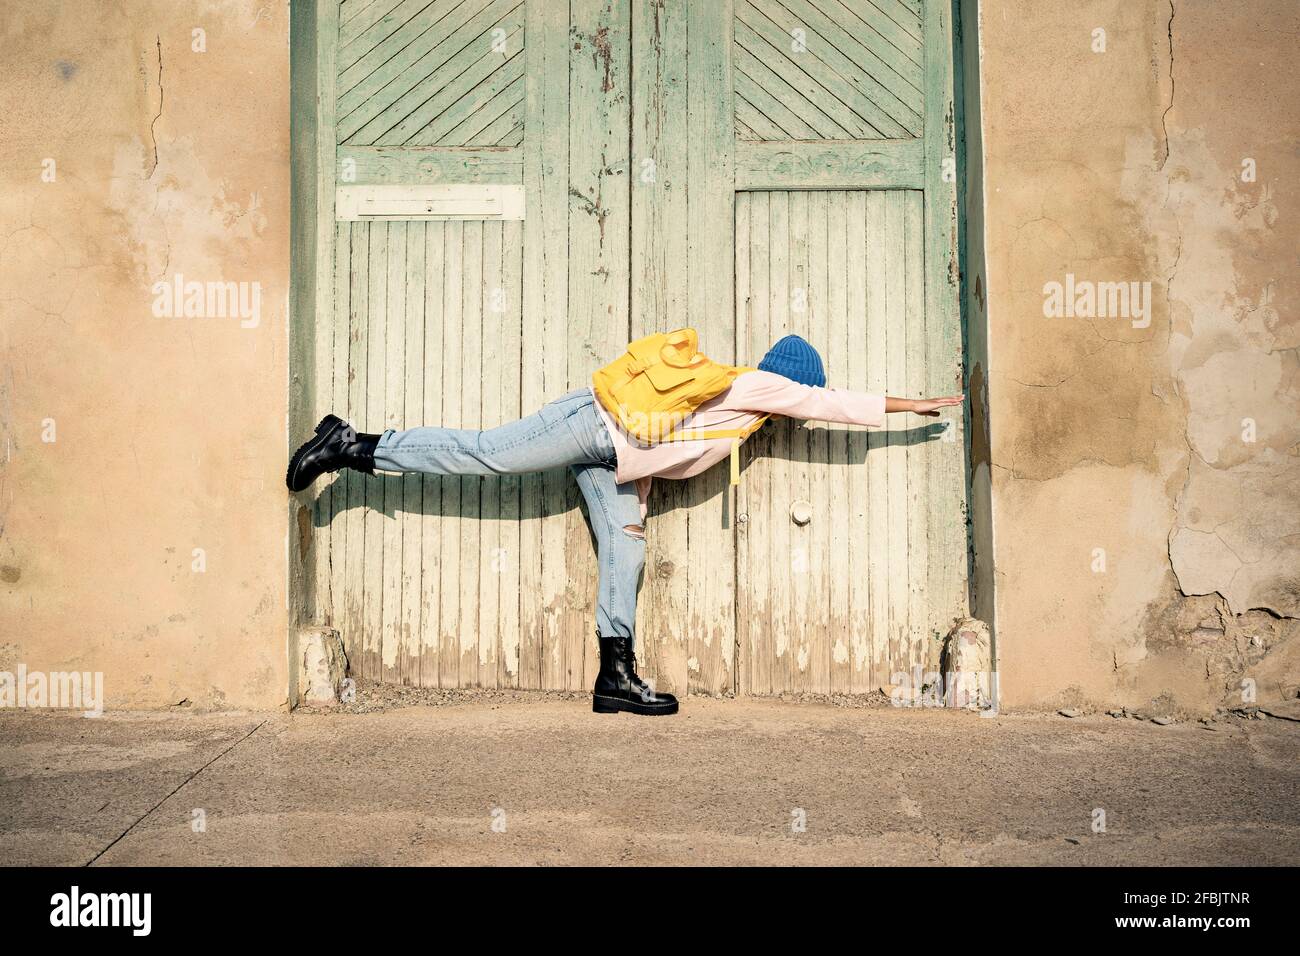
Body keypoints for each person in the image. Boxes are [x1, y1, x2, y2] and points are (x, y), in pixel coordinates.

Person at [287, 334, 964, 717]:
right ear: (791, 387)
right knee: (488, 453)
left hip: (613, 451)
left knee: (627, 546)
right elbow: (832, 401)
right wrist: (910, 405)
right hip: (589, 423)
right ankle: (353, 443)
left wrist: (634, 498)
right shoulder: (757, 385)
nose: (803, 412)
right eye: (801, 399)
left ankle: (615, 677)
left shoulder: (733, 410)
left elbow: (658, 442)